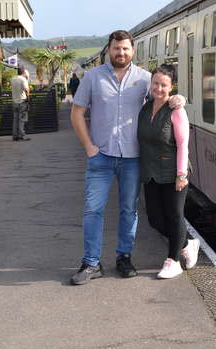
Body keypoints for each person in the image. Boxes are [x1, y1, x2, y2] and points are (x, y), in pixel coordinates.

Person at [69, 30, 185, 285]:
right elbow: (77, 113)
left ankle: (124, 257)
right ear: (109, 50)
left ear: (133, 51)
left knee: (128, 211)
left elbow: (162, 97)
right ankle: (90, 263)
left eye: (125, 49)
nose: (121, 53)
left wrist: (178, 98)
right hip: (101, 156)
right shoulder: (93, 77)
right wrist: (89, 147)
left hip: (133, 158)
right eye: (116, 48)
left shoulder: (145, 79)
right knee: (92, 210)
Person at [138, 64, 199, 279]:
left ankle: (173, 261)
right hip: (151, 172)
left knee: (174, 216)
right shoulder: (145, 107)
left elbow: (183, 144)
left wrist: (181, 174)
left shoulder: (176, 110)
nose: (159, 88)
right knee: (155, 219)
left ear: (171, 86)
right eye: (156, 83)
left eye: (164, 85)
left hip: (174, 172)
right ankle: (187, 244)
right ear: (151, 84)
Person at [11, 67, 30, 141]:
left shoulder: (13, 79)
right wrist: (28, 98)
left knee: (15, 119)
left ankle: (14, 136)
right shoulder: (23, 79)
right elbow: (26, 89)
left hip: (14, 102)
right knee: (22, 119)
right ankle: (21, 136)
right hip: (22, 102)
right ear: (23, 72)